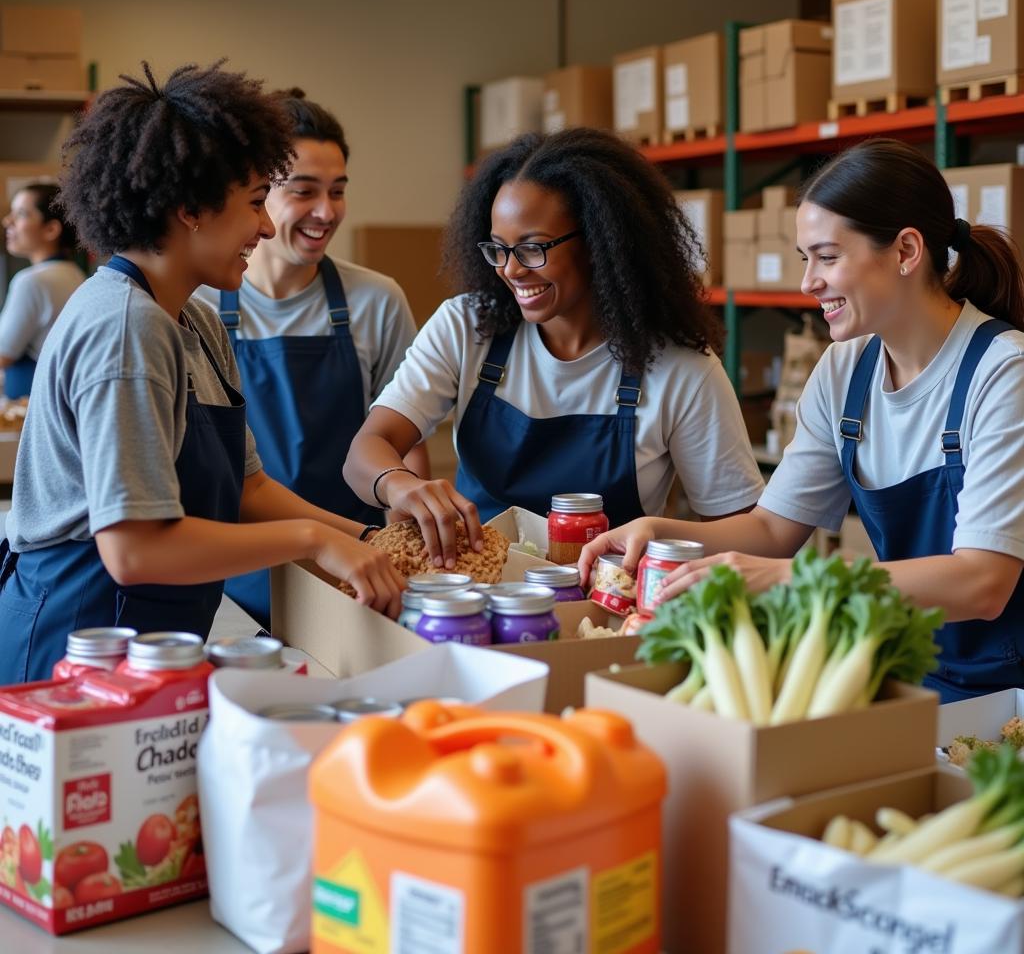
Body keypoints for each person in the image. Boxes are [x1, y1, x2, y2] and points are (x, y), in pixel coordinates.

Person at [0, 61, 404, 685]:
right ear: (190, 207)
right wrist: (314, 541)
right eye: (253, 203)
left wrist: (369, 539)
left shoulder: (193, 321)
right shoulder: (127, 328)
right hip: (75, 651)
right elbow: (134, 550)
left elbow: (248, 490)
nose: (266, 226)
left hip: (146, 647)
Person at [580, 137, 1024, 703]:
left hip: (1005, 695)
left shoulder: (1003, 373)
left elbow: (983, 581)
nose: (807, 282)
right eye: (804, 258)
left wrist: (788, 580)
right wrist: (665, 533)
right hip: (904, 672)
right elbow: (773, 531)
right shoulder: (844, 371)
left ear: (907, 251)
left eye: (828, 256)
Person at [343, 127, 764, 569]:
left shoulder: (681, 369)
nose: (510, 270)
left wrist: (661, 534)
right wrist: (399, 484)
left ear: (601, 241)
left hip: (600, 613)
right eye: (498, 249)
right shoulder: (469, 326)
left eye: (531, 248)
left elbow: (744, 532)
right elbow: (366, 450)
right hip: (475, 596)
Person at [194, 89, 426, 625]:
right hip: (235, 572)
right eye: (304, 191)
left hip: (354, 568)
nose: (326, 212)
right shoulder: (198, 305)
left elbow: (403, 441)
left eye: (338, 191)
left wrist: (405, 549)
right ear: (255, 193)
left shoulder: (376, 299)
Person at [0, 183, 85, 397]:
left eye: (21, 214)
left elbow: (3, 354)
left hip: (30, 405)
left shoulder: (31, 281)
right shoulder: (76, 274)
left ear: (51, 229)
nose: (7, 221)